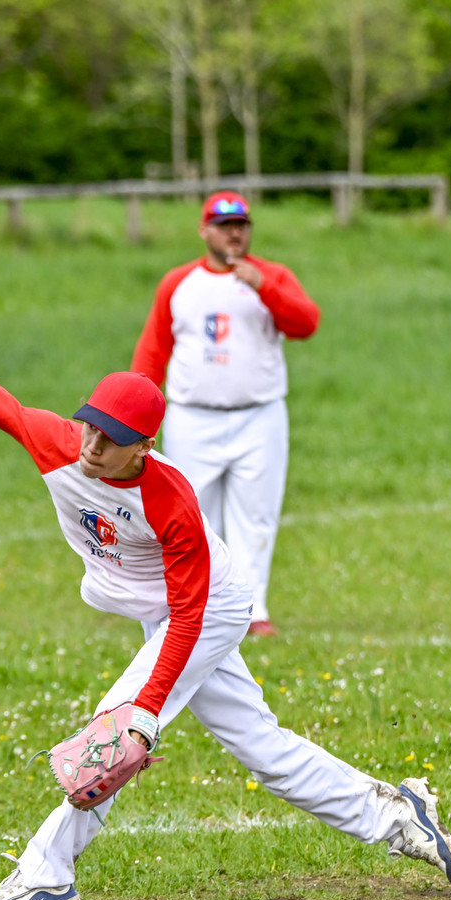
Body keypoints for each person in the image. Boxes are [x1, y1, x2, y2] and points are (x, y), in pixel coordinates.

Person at [0, 325, 451, 900]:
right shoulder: (57, 443)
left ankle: (46, 874)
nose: (92, 445)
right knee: (260, 748)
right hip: (167, 611)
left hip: (207, 606)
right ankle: (392, 813)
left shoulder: (169, 500)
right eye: (89, 427)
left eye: (111, 438)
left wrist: (146, 712)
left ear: (144, 446)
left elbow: (189, 614)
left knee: (113, 734)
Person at [131, 191, 319, 638]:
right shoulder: (179, 282)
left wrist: (262, 287)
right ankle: (196, 605)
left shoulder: (270, 277)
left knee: (256, 515)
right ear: (204, 230)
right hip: (194, 417)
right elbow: (153, 351)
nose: (235, 233)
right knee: (192, 514)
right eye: (224, 225)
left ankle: (253, 609)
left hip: (260, 415)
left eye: (242, 224)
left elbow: (306, 323)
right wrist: (135, 412)